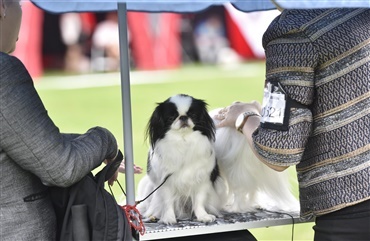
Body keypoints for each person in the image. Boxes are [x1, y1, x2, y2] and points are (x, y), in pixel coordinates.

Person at [216, 8, 370, 241]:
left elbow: (279, 150)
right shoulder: (361, 9)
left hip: (352, 204)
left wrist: (244, 117)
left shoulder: (293, 30)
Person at [0, 0, 141, 240]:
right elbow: (61, 167)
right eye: (20, 4)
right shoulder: (4, 72)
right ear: (2, 7)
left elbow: (17, 141)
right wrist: (104, 140)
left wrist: (86, 147)